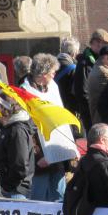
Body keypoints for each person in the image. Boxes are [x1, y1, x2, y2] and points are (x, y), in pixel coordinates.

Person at [23, 53, 78, 201]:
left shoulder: (52, 87)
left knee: (59, 198)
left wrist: (70, 147)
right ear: (43, 73)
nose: (55, 75)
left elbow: (60, 119)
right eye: (52, 72)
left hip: (57, 154)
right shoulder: (25, 92)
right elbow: (27, 130)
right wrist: (39, 156)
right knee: (39, 199)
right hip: (40, 158)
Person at [0, 101, 36, 199]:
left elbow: (20, 165)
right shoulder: (10, 128)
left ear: (5, 108)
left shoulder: (17, 130)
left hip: (14, 191)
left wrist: (7, 186)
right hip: (10, 189)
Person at [73, 29, 108, 129]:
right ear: (97, 43)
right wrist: (93, 109)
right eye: (106, 45)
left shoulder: (96, 61)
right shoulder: (85, 63)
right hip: (91, 113)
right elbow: (82, 92)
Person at [56, 37, 80, 115]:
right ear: (74, 53)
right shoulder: (73, 69)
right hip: (69, 111)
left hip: (55, 108)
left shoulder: (51, 66)